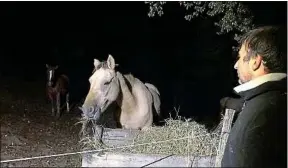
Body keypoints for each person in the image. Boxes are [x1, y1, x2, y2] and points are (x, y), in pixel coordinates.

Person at [221, 26, 287, 167]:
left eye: (240, 57)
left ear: (255, 61)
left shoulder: (259, 117)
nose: (236, 65)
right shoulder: (275, 99)